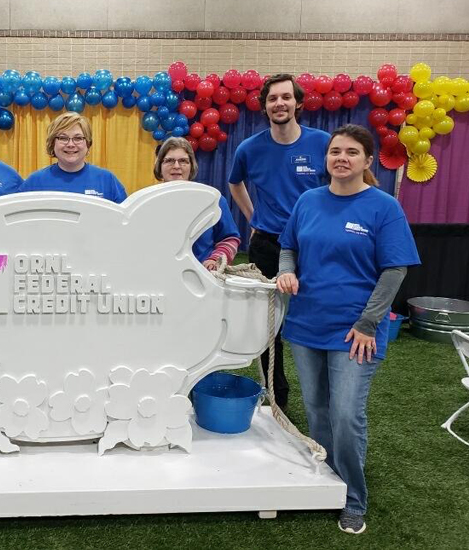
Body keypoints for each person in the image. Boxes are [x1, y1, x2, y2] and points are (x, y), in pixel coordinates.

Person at [276, 124, 420, 534]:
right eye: (335, 151)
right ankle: (328, 482)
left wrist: (367, 322)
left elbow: (395, 269)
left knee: (345, 414)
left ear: (367, 161)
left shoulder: (383, 207)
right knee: (317, 408)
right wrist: (287, 272)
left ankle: (353, 499)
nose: (341, 158)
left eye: (351, 152)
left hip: (355, 332)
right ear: (326, 159)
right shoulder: (308, 200)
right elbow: (289, 247)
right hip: (305, 324)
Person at [228, 73, 331, 410]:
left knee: (315, 321)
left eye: (286, 97)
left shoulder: (322, 143)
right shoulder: (249, 148)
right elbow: (235, 183)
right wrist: (252, 217)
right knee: (268, 328)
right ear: (265, 107)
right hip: (267, 245)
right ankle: (276, 398)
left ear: (298, 103)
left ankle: (323, 399)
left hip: (313, 247)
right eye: (273, 99)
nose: (279, 104)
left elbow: (339, 187)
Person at [154, 137, 240, 267]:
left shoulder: (213, 200)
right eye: (170, 161)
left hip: (201, 278)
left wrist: (215, 260)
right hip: (157, 276)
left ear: (191, 166)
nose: (176, 166)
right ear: (160, 166)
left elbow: (230, 239)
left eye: (183, 161)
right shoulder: (148, 201)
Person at [21, 112, 127, 203]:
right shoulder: (35, 182)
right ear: (53, 143)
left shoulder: (107, 180)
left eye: (78, 138)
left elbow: (125, 222)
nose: (71, 144)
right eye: (63, 138)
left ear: (88, 143)